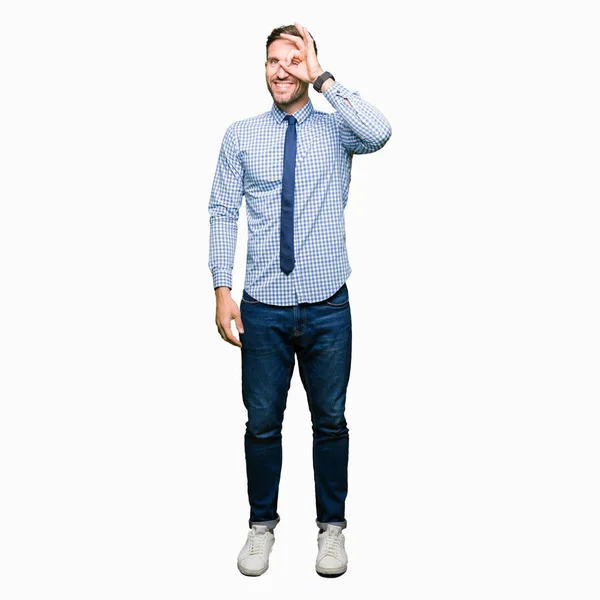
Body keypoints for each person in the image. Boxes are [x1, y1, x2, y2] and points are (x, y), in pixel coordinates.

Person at [208, 22, 391, 577]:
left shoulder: (339, 132)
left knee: (330, 421)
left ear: (309, 65)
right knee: (261, 423)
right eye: (272, 60)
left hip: (327, 307)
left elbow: (381, 132)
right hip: (261, 306)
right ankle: (261, 526)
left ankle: (331, 530)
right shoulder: (241, 135)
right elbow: (222, 210)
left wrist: (324, 78)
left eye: (293, 60)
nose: (280, 70)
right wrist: (221, 288)